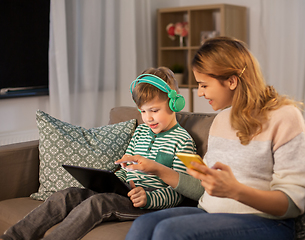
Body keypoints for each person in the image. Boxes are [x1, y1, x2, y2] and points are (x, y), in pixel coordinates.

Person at [124, 37, 305, 240]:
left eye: (204, 85)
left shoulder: (285, 116)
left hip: (267, 222)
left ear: (232, 81)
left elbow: (292, 204)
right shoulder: (221, 120)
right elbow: (201, 190)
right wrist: (157, 169)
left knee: (170, 231)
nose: (199, 93)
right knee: (143, 225)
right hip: (211, 213)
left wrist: (235, 190)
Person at [0, 67, 197, 240]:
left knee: (98, 202)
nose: (148, 118)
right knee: (66, 195)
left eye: (154, 110)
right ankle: (12, 237)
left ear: (174, 104)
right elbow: (125, 169)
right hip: (124, 192)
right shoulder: (140, 132)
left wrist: (148, 199)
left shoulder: (182, 141)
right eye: (143, 112)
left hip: (148, 204)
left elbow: (180, 194)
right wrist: (112, 180)